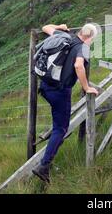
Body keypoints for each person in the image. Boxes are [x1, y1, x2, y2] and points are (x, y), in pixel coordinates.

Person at [32, 23, 99, 183]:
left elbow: (45, 27)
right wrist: (86, 87)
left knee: (58, 123)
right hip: (59, 92)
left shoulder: (63, 36)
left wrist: (59, 26)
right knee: (60, 129)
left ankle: (49, 156)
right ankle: (43, 166)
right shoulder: (82, 48)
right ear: (89, 37)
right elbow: (78, 65)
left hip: (45, 86)